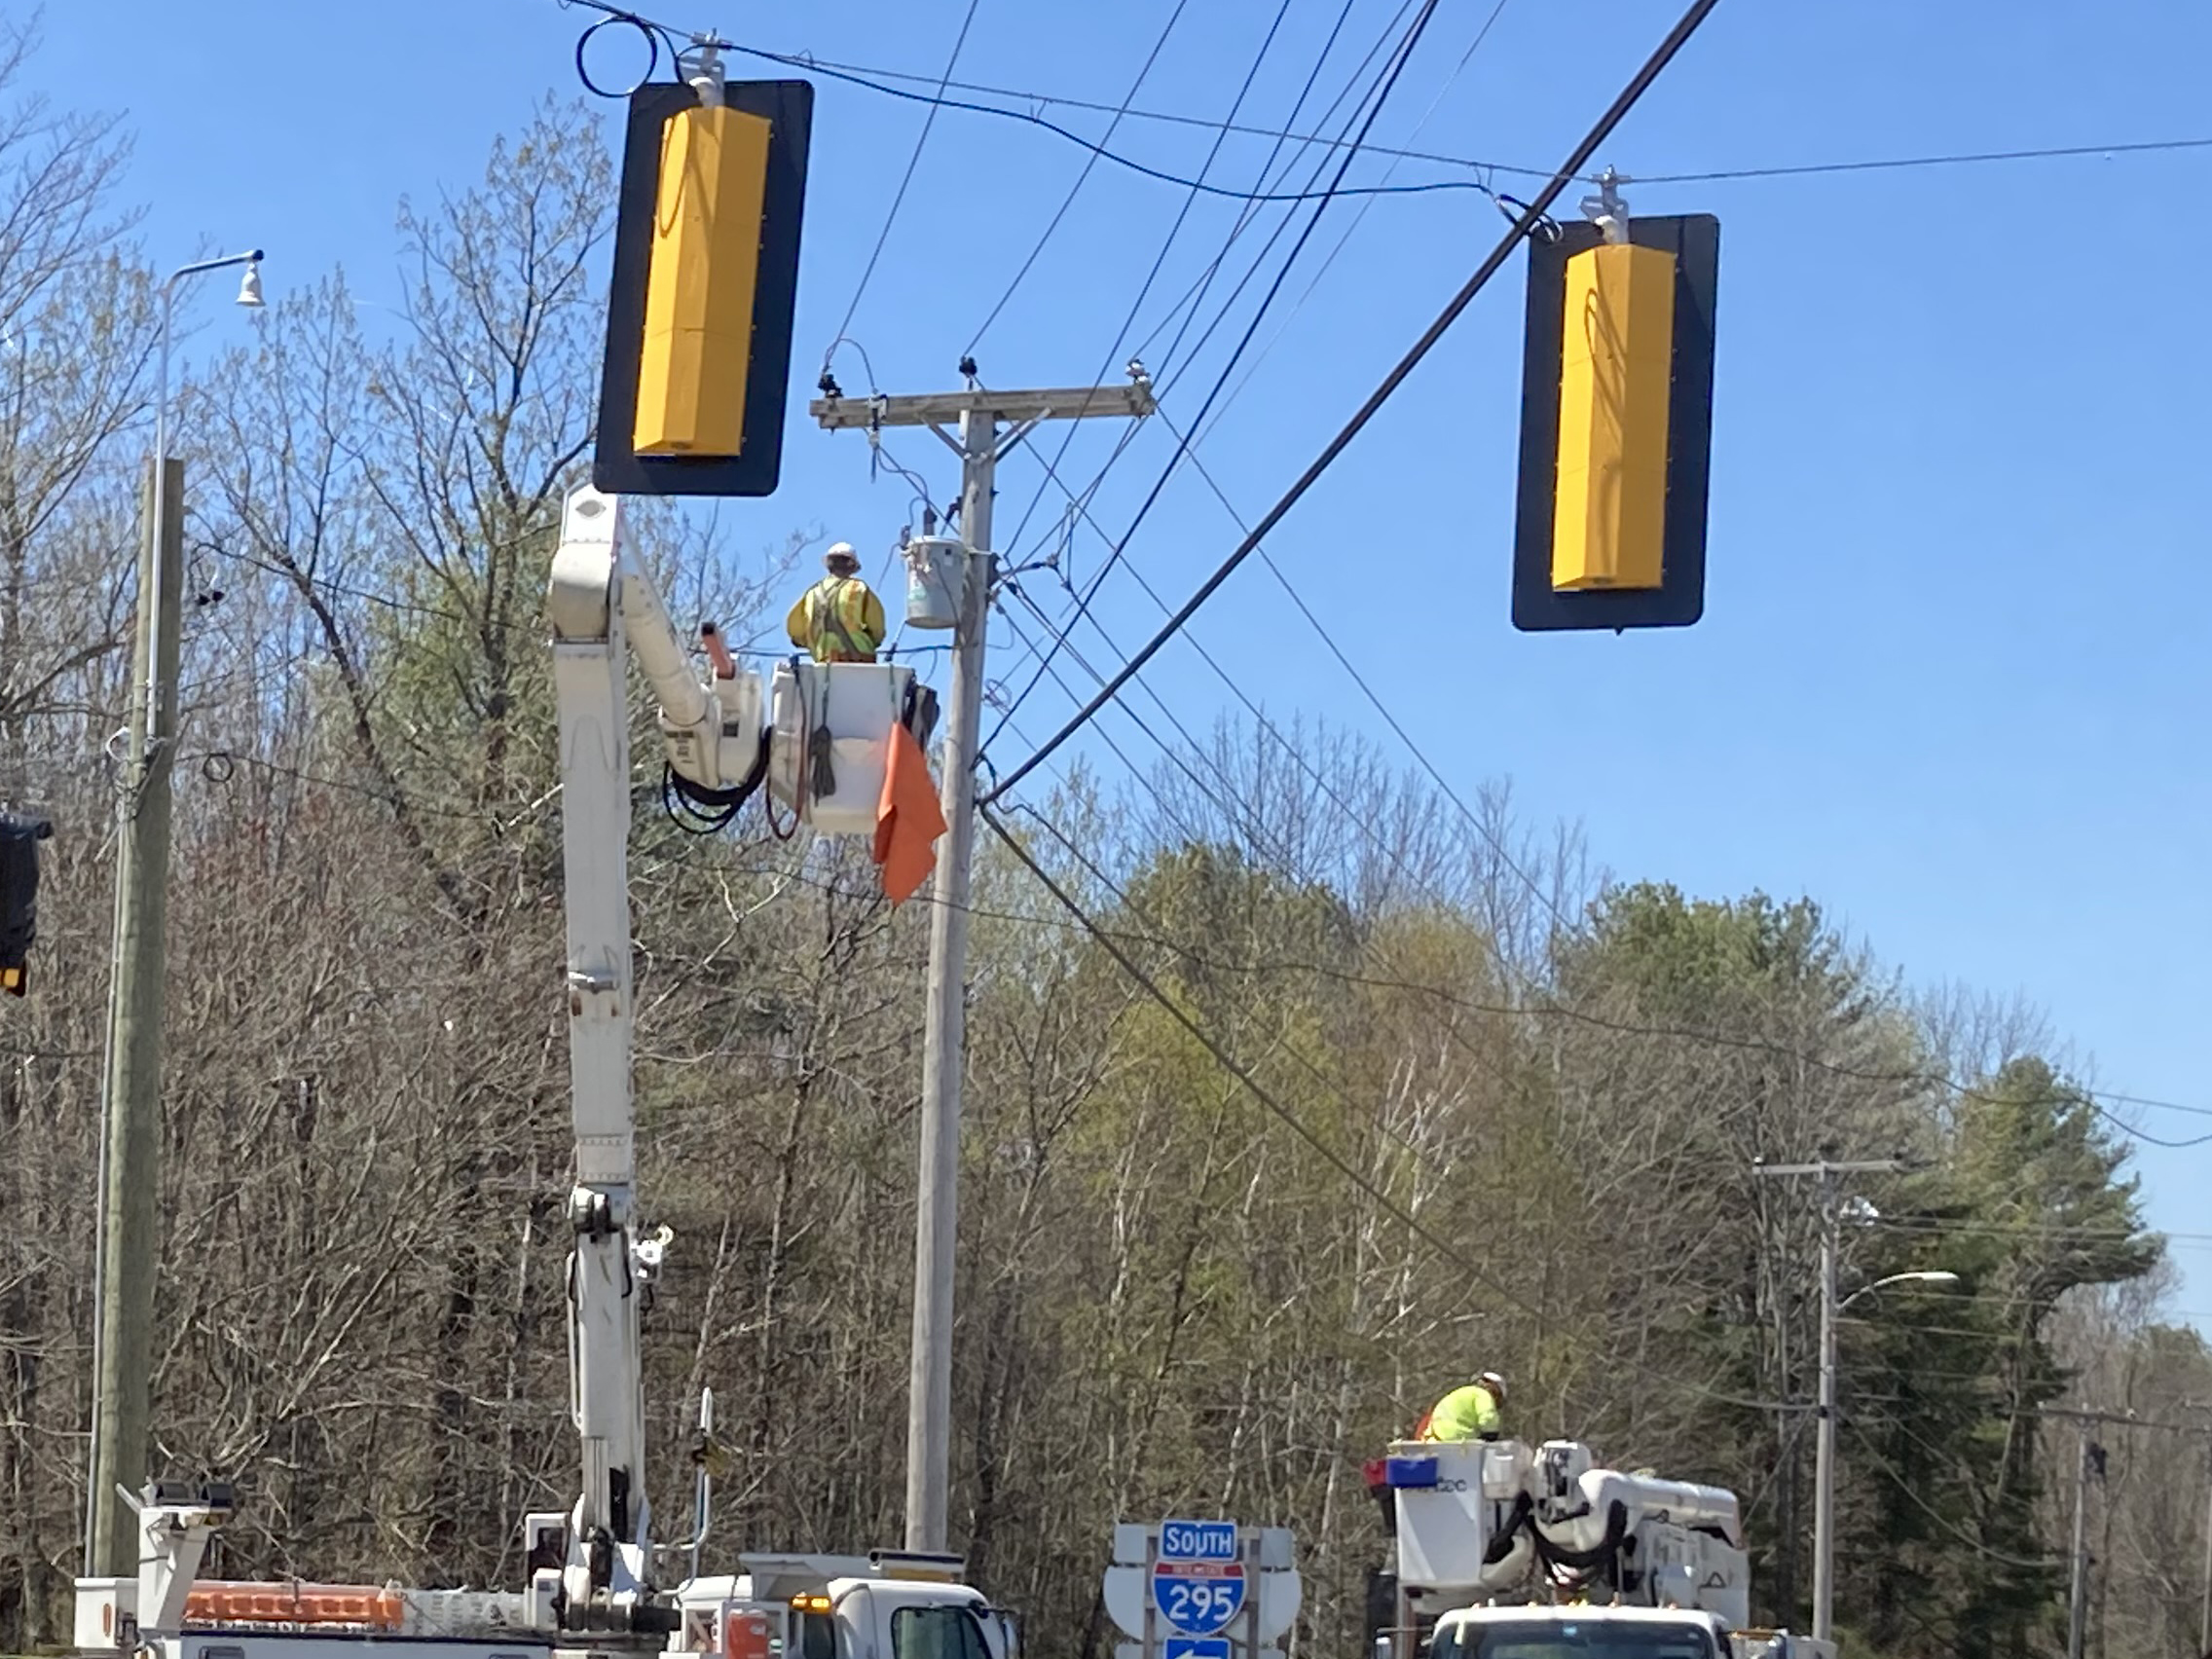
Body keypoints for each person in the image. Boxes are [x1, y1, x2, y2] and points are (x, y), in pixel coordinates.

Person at [786, 543, 886, 663]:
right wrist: (873, 642)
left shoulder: (812, 592)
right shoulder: (858, 588)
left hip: (823, 657)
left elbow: (796, 631)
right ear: (851, 565)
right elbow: (877, 627)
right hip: (858, 656)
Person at [1416, 1372, 1506, 1442]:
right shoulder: (1483, 1395)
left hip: (1436, 1439)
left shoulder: (1461, 1393)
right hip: (1459, 1440)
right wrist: (1491, 1434)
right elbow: (1488, 1417)